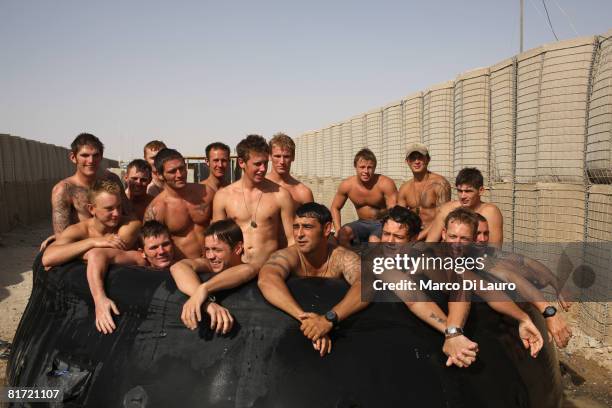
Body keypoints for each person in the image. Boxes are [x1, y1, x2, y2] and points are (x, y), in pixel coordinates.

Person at [258, 202, 368, 357]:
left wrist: (328, 320)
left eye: (307, 227)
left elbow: (366, 284)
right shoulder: (288, 256)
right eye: (296, 227)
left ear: (326, 229)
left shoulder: (343, 257)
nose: (299, 234)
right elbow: (266, 279)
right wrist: (306, 320)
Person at [475, 215, 572, 348]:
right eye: (477, 234)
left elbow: (526, 261)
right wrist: (549, 312)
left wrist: (557, 284)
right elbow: (509, 276)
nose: (482, 239)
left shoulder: (488, 253)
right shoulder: (471, 259)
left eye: (486, 234)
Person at [212, 135, 295, 267]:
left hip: (269, 267)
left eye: (265, 163)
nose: (263, 169)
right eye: (257, 164)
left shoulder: (281, 195)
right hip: (235, 268)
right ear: (241, 163)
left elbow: (291, 239)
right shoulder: (223, 196)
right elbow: (216, 240)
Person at [170, 219, 256, 332]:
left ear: (238, 248)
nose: (210, 256)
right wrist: (206, 302)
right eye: (207, 250)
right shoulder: (209, 265)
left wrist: (204, 288)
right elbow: (178, 267)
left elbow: (248, 269)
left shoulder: (252, 267)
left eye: (217, 250)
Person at [42, 180, 141, 269]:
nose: (117, 213)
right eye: (109, 209)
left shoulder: (130, 225)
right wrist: (92, 242)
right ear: (91, 209)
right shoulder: (79, 230)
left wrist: (72, 253)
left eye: (119, 207)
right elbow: (48, 258)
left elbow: (105, 254)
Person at [49, 133, 127, 237]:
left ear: (101, 157)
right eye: (84, 155)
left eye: (95, 155)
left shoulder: (112, 180)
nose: (91, 161)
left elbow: (128, 214)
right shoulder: (64, 190)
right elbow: (61, 236)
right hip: (83, 246)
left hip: (115, 242)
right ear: (73, 157)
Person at [144, 148, 214, 259]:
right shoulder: (157, 209)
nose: (179, 175)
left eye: (182, 168)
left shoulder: (206, 192)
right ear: (160, 174)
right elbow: (151, 247)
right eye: (172, 171)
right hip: (184, 267)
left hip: (213, 263)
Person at [331, 148, 398, 247]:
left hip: (381, 223)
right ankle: (351, 259)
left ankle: (375, 261)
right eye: (362, 167)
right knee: (343, 235)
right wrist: (337, 229)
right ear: (355, 167)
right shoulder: (347, 185)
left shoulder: (385, 183)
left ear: (374, 168)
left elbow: (394, 211)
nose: (366, 171)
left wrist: (389, 231)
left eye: (369, 167)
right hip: (361, 223)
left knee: (373, 240)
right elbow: (335, 207)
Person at [424, 168, 503, 244]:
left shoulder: (490, 212)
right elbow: (430, 242)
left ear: (481, 191)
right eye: (460, 191)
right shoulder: (447, 209)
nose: (463, 196)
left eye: (468, 191)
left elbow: (495, 249)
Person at [397, 143, 451, 231]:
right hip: (413, 232)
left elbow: (442, 219)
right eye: (412, 158)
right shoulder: (404, 188)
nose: (417, 161)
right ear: (407, 161)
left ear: (428, 159)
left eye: (420, 157)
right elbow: (400, 217)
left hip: (435, 232)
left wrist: (421, 236)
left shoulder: (440, 184)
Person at [266, 133, 314, 205]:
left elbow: (310, 216)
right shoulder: (258, 186)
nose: (282, 161)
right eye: (277, 156)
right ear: (269, 156)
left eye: (286, 156)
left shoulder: (303, 192)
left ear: (293, 157)